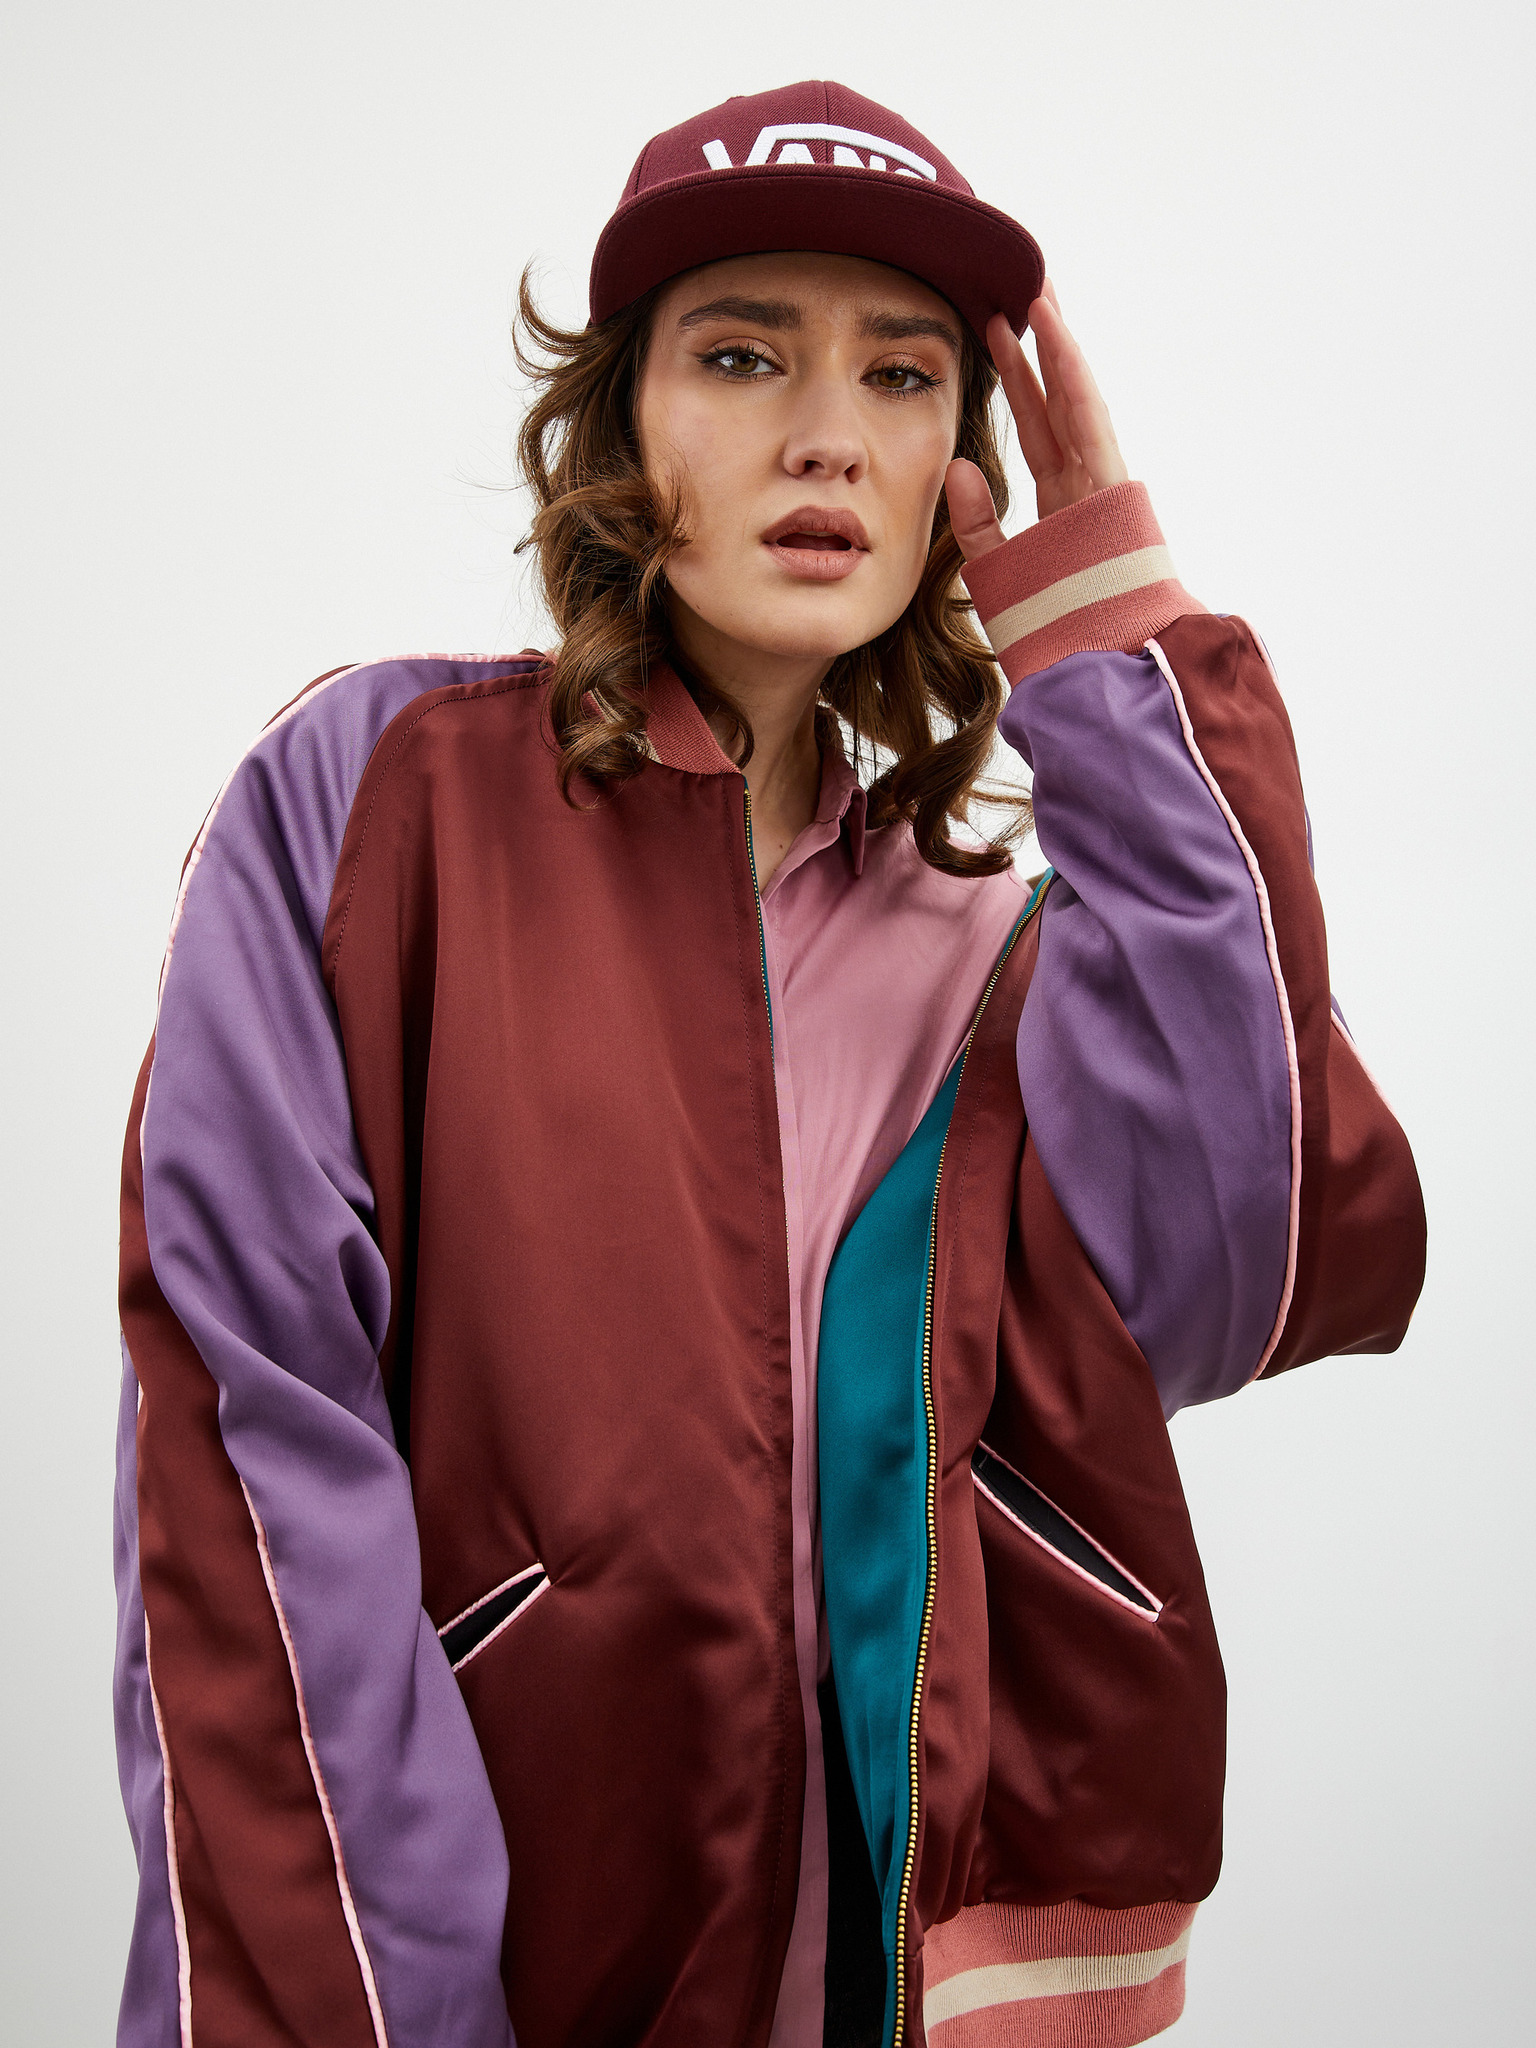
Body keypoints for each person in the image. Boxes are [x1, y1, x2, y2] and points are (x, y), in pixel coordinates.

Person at [113, 78, 1426, 2048]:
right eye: (742, 357)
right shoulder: (372, 807)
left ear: (956, 468)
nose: (829, 435)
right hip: (477, 1972)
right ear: (621, 424)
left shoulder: (991, 954)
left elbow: (1258, 1259)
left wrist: (1112, 636)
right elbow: (251, 1465)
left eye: (903, 377)